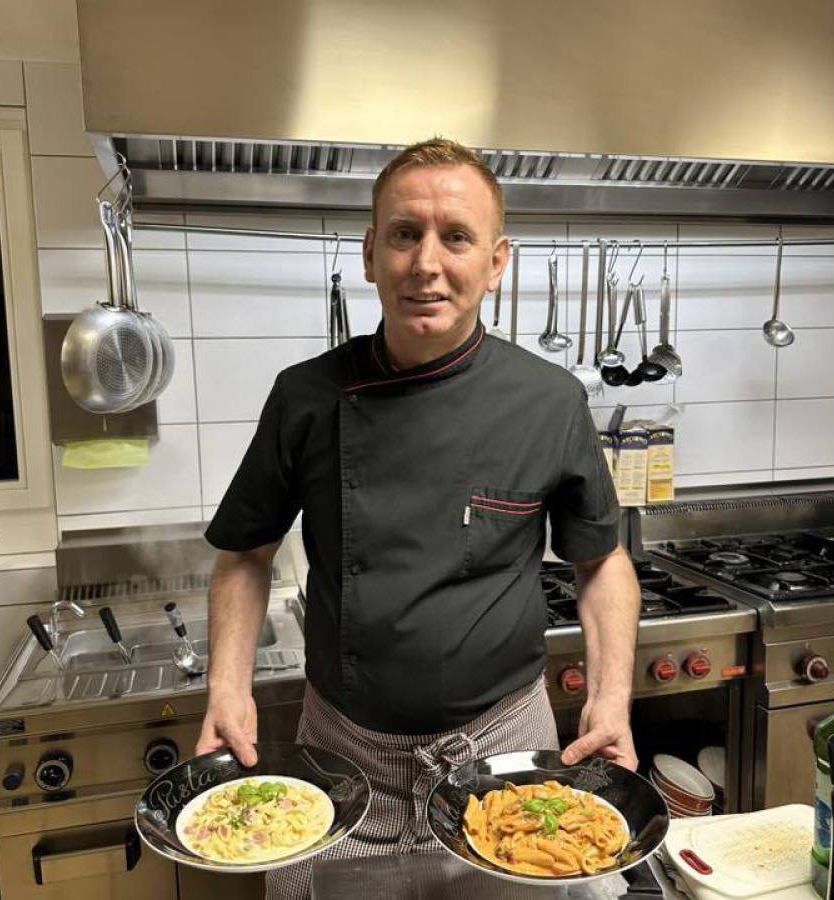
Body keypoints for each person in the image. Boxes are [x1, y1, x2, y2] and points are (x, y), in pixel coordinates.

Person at [198, 138, 641, 899]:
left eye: (455, 237)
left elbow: (601, 561)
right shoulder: (306, 397)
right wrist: (227, 689)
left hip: (502, 760)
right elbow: (244, 553)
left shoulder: (549, 402)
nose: (426, 263)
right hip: (345, 762)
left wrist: (608, 697)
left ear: (496, 263)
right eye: (405, 234)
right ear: (371, 253)